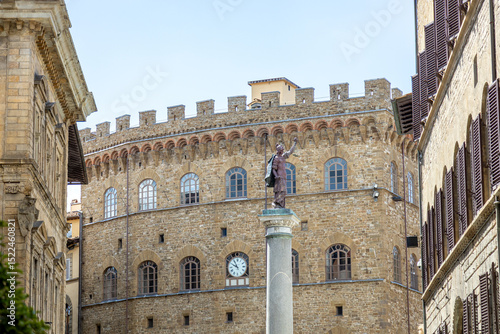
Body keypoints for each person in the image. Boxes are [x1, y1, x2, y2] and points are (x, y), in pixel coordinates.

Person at [270, 137, 297, 208]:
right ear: (278, 151)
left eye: (282, 150)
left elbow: (290, 152)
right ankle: (276, 203)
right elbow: (273, 169)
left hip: (283, 177)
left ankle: (280, 205)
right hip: (279, 177)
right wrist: (276, 176)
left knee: (283, 192)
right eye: (281, 150)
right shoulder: (276, 158)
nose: (282, 151)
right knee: (280, 191)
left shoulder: (283, 156)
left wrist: (295, 143)